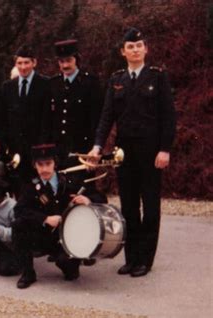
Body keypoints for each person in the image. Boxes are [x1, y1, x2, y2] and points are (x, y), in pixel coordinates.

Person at [88, 28, 176, 277]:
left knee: (149, 207)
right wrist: (97, 146)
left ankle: (145, 260)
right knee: (128, 207)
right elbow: (106, 117)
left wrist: (165, 149)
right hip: (124, 153)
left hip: (151, 152)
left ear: (146, 49)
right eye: (130, 46)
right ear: (122, 52)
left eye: (139, 45)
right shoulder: (117, 80)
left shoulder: (157, 77)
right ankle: (131, 257)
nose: (135, 50)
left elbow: (168, 117)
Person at [13, 144, 106, 289]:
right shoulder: (31, 187)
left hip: (68, 237)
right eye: (40, 164)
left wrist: (88, 200)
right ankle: (28, 273)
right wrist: (45, 219)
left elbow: (101, 197)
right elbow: (19, 210)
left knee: (70, 273)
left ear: (55, 163)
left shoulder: (70, 181)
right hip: (43, 235)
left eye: (48, 164)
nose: (44, 169)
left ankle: (71, 262)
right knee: (19, 225)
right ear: (34, 165)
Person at [0, 45, 51, 193]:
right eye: (19, 63)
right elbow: (0, 119)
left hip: (38, 151)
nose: (23, 67)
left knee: (39, 192)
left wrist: (43, 150)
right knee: (17, 192)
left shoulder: (46, 84)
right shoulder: (7, 87)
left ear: (34, 63)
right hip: (14, 152)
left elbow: (48, 120)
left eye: (26, 63)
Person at [47, 39, 103, 165]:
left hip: (83, 150)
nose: (65, 65)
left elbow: (96, 120)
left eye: (68, 60)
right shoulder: (53, 84)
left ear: (76, 59)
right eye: (61, 61)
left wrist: (94, 150)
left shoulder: (90, 83)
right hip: (58, 151)